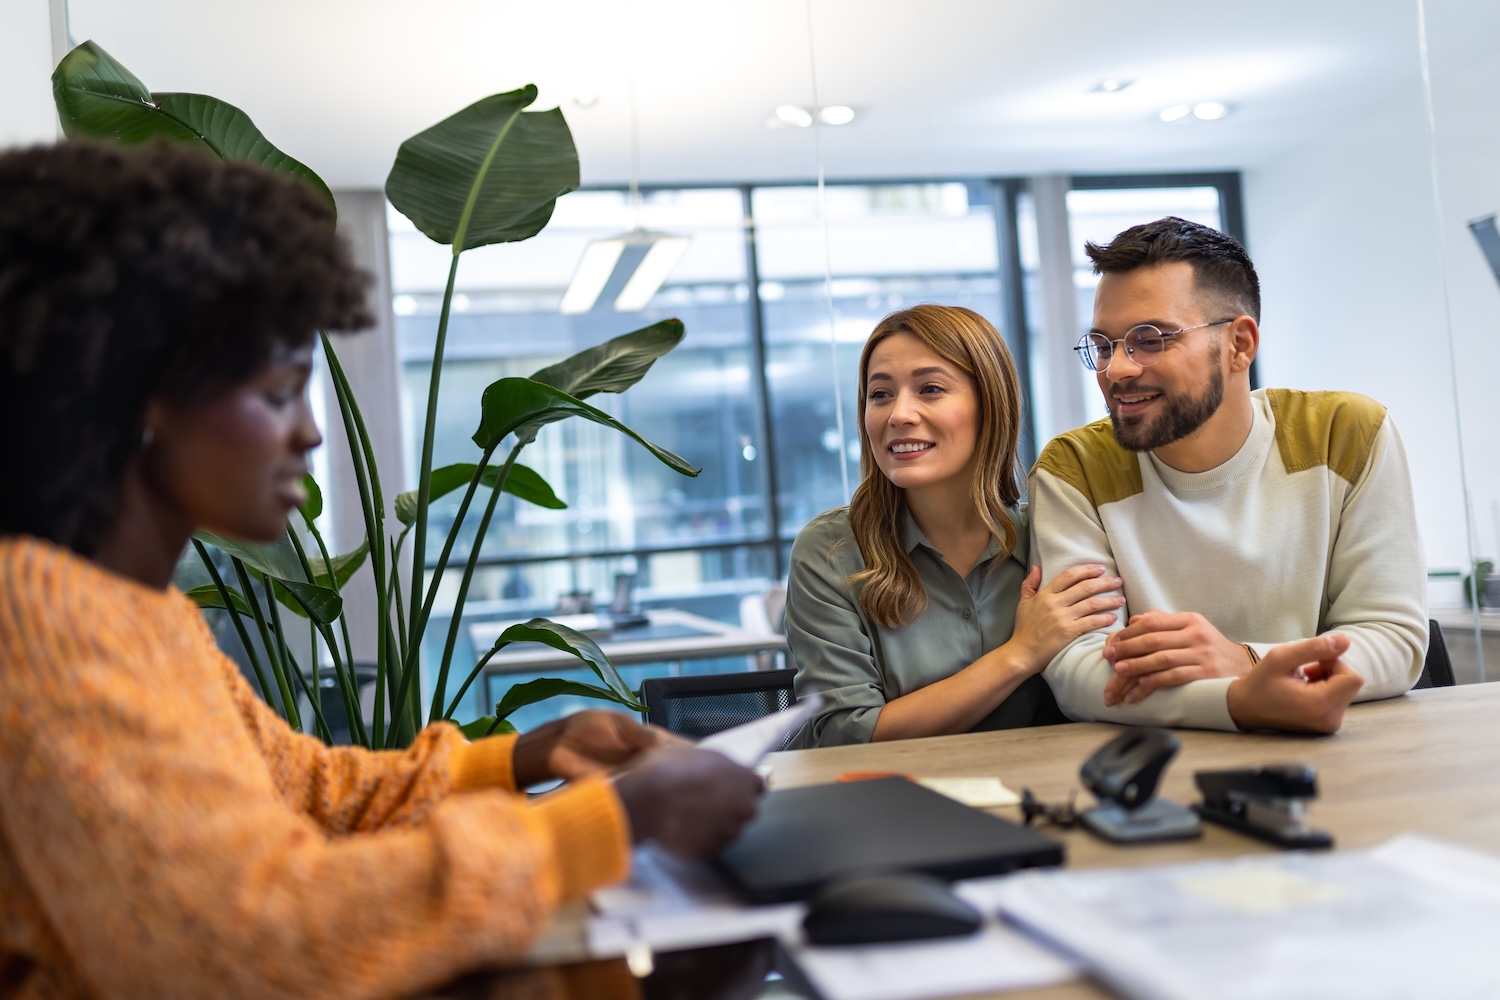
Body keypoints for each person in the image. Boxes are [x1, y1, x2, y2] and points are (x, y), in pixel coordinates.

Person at [0, 140, 763, 999]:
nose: (310, 434)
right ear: (143, 397)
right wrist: (617, 818)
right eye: (279, 393)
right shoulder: (40, 624)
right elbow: (256, 942)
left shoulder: (135, 612)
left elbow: (310, 791)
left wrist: (530, 756)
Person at [1031, 216, 1424, 733]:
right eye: (1104, 345)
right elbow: (1078, 669)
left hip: (1339, 753)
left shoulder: (1347, 433)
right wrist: (1239, 699)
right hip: (1156, 773)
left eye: (1149, 339)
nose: (1117, 369)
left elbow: (1394, 638)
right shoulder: (1074, 468)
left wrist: (1245, 660)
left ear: (1239, 344)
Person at [786, 305, 1125, 748]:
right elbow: (846, 735)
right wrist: (1020, 653)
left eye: (929, 389)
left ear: (990, 405)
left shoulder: (1056, 535)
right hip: (877, 803)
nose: (898, 415)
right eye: (880, 394)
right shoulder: (830, 551)